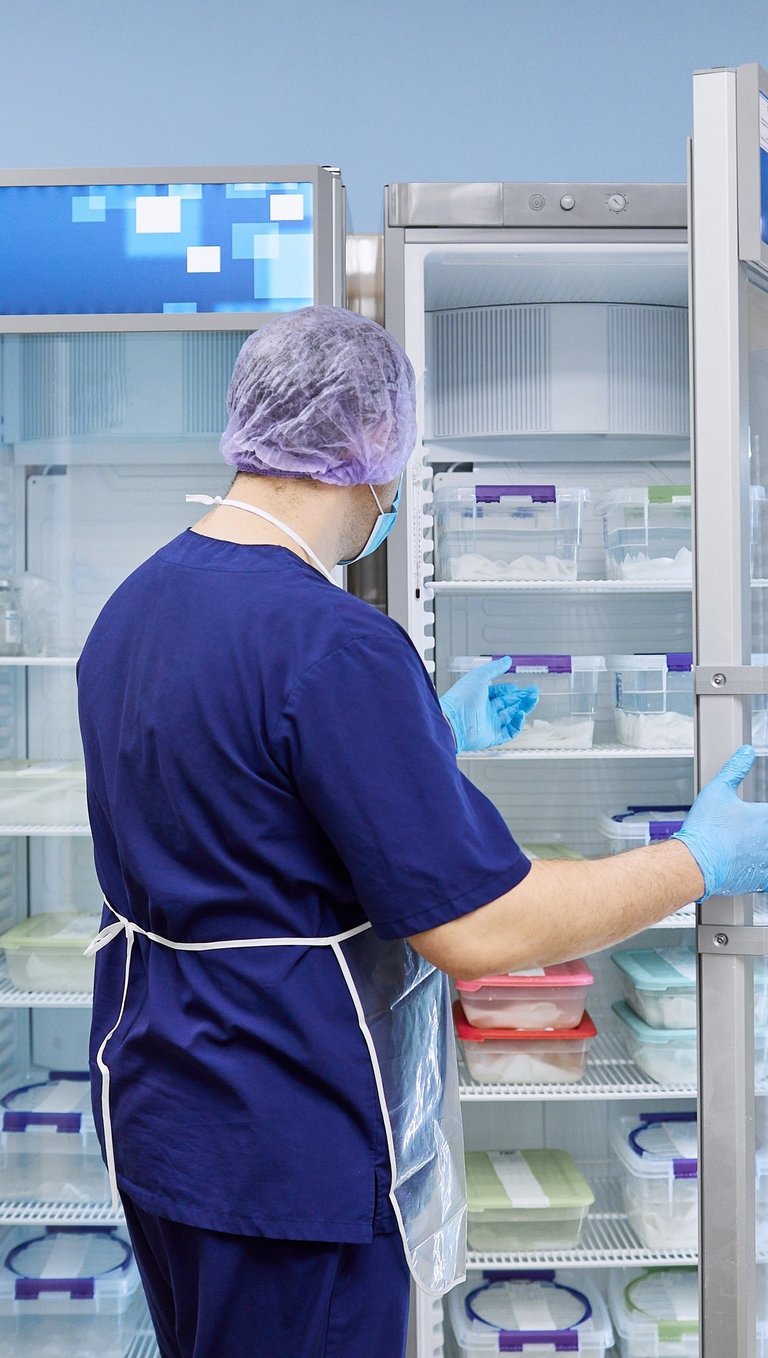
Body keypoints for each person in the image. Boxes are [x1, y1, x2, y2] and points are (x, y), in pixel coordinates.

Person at [77, 304, 768, 1358]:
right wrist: (695, 859)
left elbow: (237, 799)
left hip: (162, 1109)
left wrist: (419, 738)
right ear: (368, 453)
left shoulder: (140, 603)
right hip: (284, 1137)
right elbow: (482, 929)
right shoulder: (333, 640)